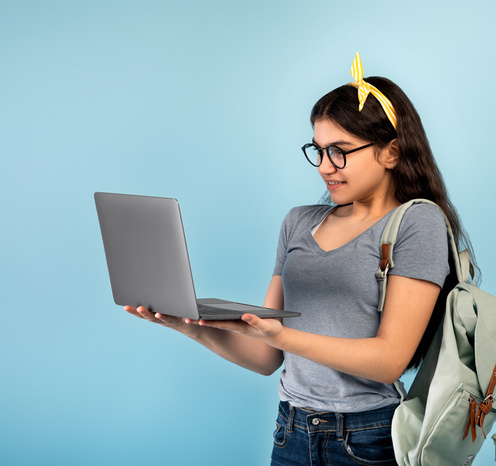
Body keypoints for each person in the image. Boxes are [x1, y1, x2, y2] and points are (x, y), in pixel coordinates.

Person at [124, 53, 477, 465]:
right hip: (289, 432)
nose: (326, 167)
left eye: (341, 151)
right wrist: (189, 326)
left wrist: (280, 335)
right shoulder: (298, 223)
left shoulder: (418, 223)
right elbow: (265, 357)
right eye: (319, 150)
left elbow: (388, 361)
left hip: (365, 439)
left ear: (391, 152)